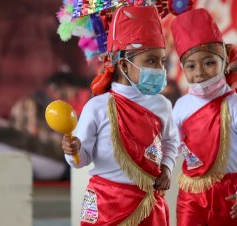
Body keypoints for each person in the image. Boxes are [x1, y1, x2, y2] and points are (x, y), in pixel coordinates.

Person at [62, 6, 178, 226]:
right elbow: (80, 161)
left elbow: (171, 141)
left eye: (162, 61)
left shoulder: (162, 105)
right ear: (124, 64)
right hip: (104, 203)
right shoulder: (97, 107)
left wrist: (166, 167)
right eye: (151, 61)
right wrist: (74, 151)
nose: (160, 68)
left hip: (148, 203)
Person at [171, 8, 237, 225]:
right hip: (191, 197)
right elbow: (170, 147)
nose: (200, 72)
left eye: (209, 62)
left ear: (224, 62)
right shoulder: (181, 107)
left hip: (232, 196)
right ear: (183, 69)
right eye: (191, 66)